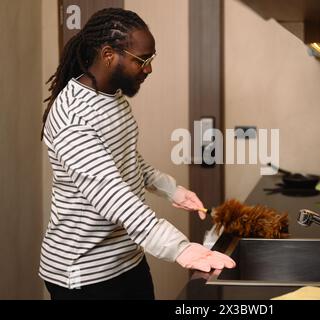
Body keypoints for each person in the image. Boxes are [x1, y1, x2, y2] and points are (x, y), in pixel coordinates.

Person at [39, 8, 235, 300]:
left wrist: (171, 189)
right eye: (141, 60)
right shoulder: (72, 119)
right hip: (85, 275)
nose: (149, 69)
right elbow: (113, 196)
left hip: (128, 259)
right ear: (108, 55)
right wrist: (180, 248)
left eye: (150, 59)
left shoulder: (111, 96)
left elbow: (126, 159)